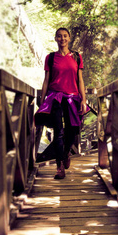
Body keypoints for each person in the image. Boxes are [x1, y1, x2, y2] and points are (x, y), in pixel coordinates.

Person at [35, 27, 87, 179]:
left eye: (65, 36)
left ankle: (65, 154)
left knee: (73, 130)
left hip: (73, 97)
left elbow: (80, 80)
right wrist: (43, 99)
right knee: (58, 131)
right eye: (59, 36)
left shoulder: (77, 57)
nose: (62, 38)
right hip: (55, 97)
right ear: (55, 39)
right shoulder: (50, 58)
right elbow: (46, 80)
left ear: (69, 38)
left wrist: (83, 99)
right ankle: (59, 167)